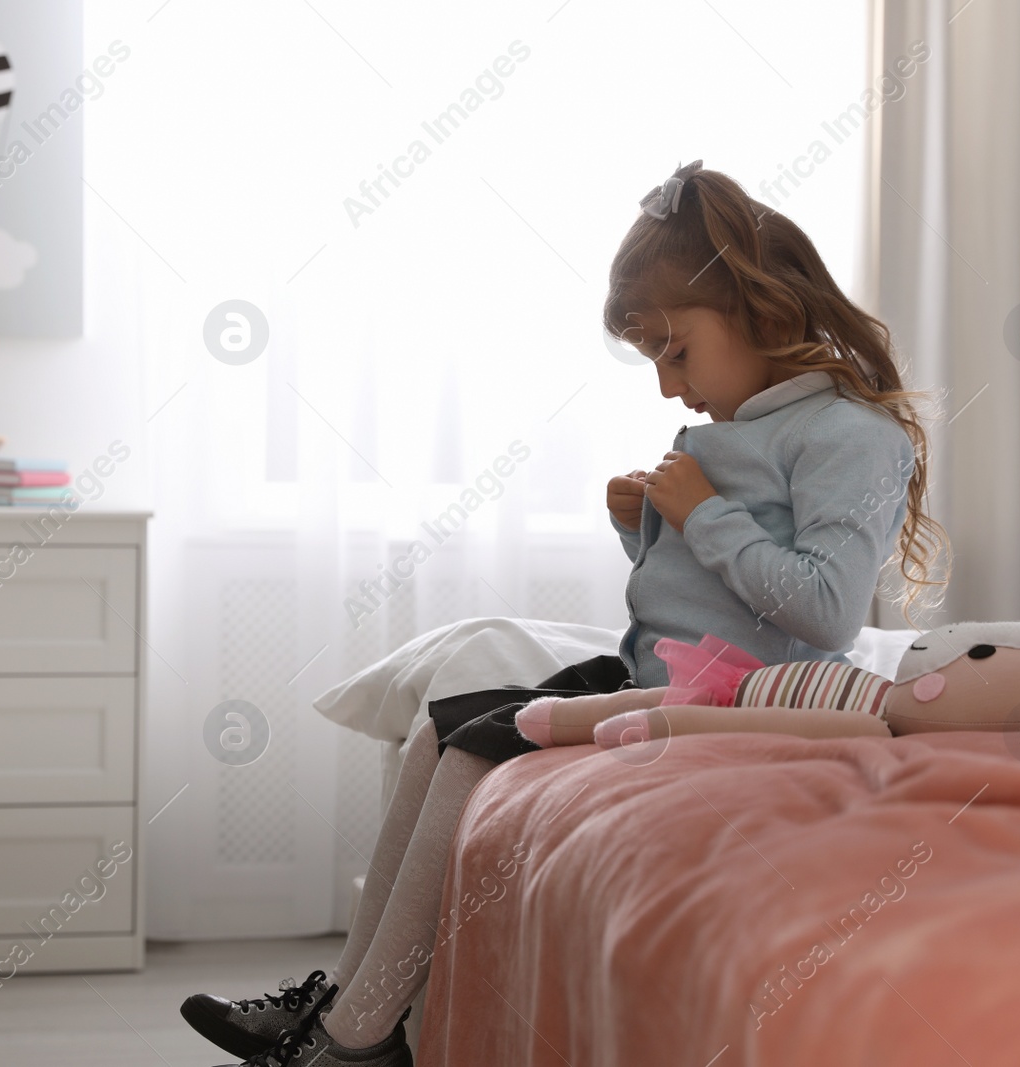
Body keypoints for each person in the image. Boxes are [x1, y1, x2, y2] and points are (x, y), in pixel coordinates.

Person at [180, 162, 949, 1067]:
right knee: (439, 734)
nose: (669, 386)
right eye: (655, 359)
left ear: (762, 310)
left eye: (676, 351)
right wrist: (647, 534)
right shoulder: (727, 431)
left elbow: (821, 613)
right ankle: (341, 1003)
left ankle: (351, 1045)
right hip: (668, 680)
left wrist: (702, 513)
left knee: (475, 747)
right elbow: (706, 596)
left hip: (750, 701)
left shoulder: (852, 436)